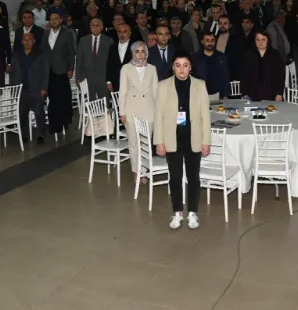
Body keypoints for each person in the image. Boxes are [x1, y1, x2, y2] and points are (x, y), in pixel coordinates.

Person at [154, 51, 211, 230]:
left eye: (185, 65)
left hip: (194, 137)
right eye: (178, 65)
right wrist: (159, 141)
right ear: (173, 67)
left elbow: (205, 116)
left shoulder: (200, 85)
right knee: (175, 177)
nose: (181, 69)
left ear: (190, 67)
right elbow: (158, 115)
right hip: (172, 137)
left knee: (194, 177)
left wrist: (206, 141)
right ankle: (177, 211)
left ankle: (192, 212)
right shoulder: (163, 86)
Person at [119, 42, 159, 180]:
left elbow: (155, 92)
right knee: (134, 143)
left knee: (146, 143)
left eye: (143, 51)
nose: (140, 54)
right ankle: (136, 171)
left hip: (149, 110)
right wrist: (122, 112)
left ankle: (145, 170)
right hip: (131, 110)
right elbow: (122, 92)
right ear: (132, 53)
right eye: (137, 51)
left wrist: (158, 111)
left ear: (146, 53)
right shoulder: (126, 68)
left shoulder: (152, 69)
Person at [11, 32, 49, 143]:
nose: (27, 42)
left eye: (30, 40)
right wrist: (14, 89)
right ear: (22, 41)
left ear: (34, 41)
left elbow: (46, 72)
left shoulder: (41, 54)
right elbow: (13, 72)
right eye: (25, 40)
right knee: (22, 113)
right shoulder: (17, 54)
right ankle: (24, 135)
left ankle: (40, 134)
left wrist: (44, 88)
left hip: (36, 89)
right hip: (21, 89)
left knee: (39, 113)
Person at [240, 29, 286, 102]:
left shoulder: (275, 54)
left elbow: (280, 76)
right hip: (253, 94)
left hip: (271, 94)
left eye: (263, 39)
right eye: (257, 40)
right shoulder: (248, 55)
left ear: (268, 41)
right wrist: (244, 93)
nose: (260, 42)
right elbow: (244, 75)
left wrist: (279, 94)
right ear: (254, 41)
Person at [76, 18, 113, 99]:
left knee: (104, 104)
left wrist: (110, 80)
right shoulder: (83, 41)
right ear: (90, 27)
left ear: (101, 27)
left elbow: (111, 63)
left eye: (97, 25)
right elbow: (79, 61)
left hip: (103, 78)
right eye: (93, 25)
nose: (95, 27)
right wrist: (78, 77)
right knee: (88, 104)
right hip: (86, 78)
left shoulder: (109, 41)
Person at [191, 32, 230, 100]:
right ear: (202, 42)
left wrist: (225, 95)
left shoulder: (221, 57)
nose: (210, 43)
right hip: (200, 95)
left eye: (212, 40)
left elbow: (226, 77)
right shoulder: (195, 58)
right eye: (207, 40)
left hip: (218, 95)